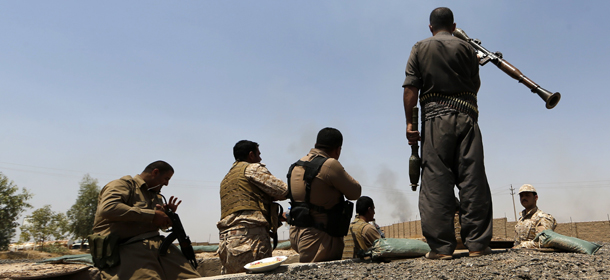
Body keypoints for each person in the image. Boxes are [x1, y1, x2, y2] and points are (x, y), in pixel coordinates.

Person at [402, 7, 493, 260]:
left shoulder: (420, 47)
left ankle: (441, 249)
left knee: (435, 181)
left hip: (434, 120)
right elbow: (475, 86)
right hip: (468, 118)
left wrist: (410, 124)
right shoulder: (467, 49)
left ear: (431, 27)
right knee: (472, 178)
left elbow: (411, 87)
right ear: (454, 26)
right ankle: (477, 245)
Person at [91, 160, 200, 280]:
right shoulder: (123, 185)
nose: (167, 183)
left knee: (192, 277)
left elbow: (156, 225)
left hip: (158, 247)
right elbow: (108, 208)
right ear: (155, 172)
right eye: (166, 178)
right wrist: (153, 215)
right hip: (126, 247)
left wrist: (165, 216)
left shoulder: (155, 195)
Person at [288, 127, 361, 262]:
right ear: (338, 149)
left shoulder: (296, 166)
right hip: (321, 238)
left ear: (315, 145)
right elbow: (355, 192)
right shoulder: (329, 165)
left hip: (297, 233)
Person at [217, 140, 288, 274]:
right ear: (251, 155)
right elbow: (282, 190)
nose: (260, 158)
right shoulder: (251, 168)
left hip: (227, 245)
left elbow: (245, 208)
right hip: (250, 240)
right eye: (258, 154)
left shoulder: (227, 179)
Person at [513, 184, 557, 249]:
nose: (523, 198)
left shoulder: (543, 218)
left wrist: (520, 246)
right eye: (521, 196)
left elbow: (544, 241)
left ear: (536, 197)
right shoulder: (521, 219)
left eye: (527, 195)